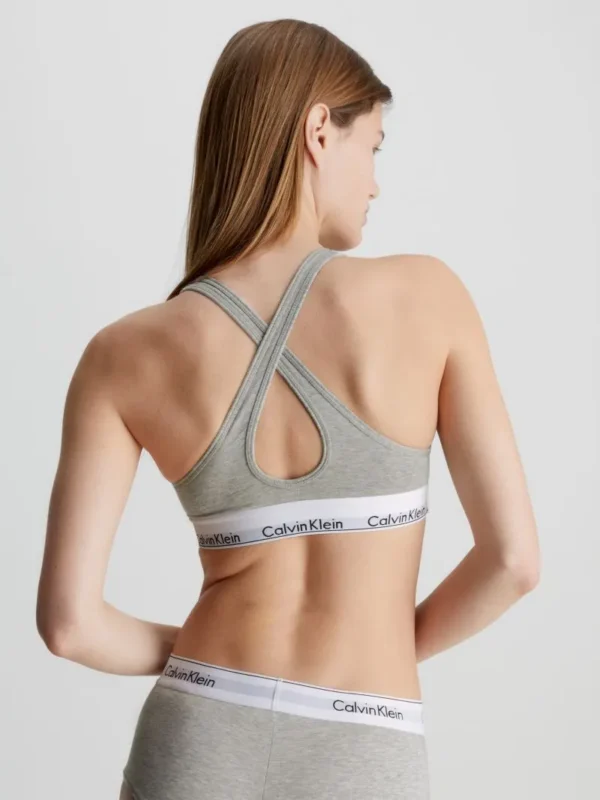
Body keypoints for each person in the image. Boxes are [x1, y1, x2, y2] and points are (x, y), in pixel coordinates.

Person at [35, 18, 540, 800]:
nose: (375, 183)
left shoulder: (123, 353)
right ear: (319, 131)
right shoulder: (427, 296)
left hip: (195, 734)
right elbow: (513, 562)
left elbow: (69, 625)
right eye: (373, 147)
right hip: (362, 743)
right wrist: (379, 654)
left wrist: (206, 661)